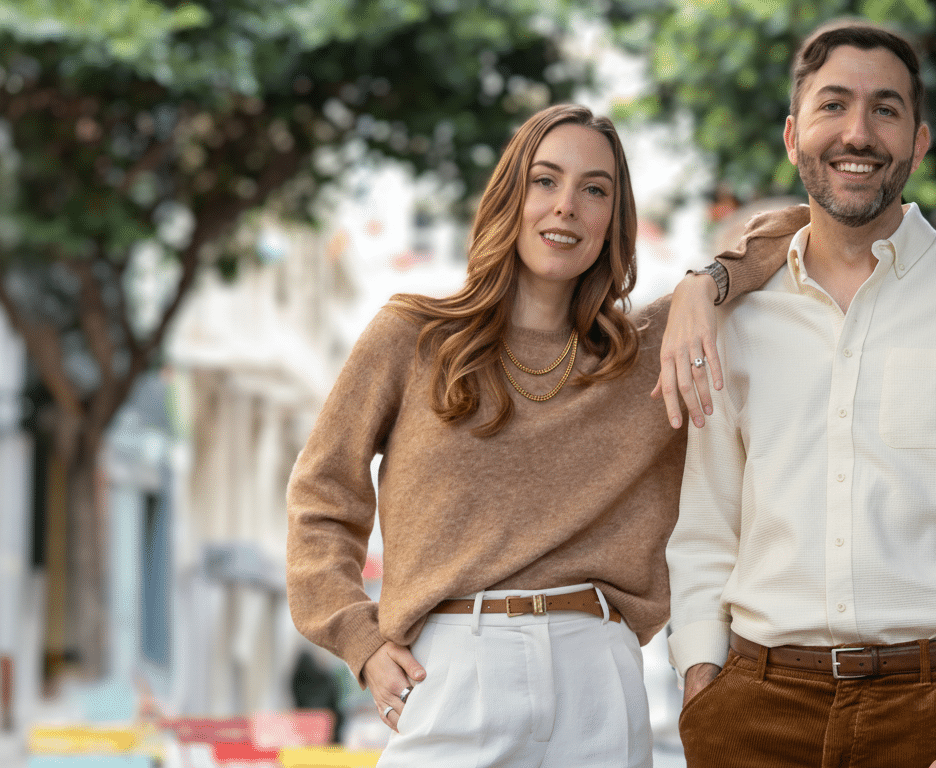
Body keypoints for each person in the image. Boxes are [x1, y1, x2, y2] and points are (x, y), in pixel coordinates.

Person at [285, 104, 784, 768]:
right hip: (454, 666)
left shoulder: (645, 355)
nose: (567, 207)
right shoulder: (413, 337)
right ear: (509, 196)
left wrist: (706, 284)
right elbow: (321, 498)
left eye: (595, 189)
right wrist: (361, 642)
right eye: (545, 181)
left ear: (614, 219)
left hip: (597, 675)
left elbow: (799, 225)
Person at [667, 21, 936, 768]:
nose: (858, 132)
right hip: (753, 711)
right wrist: (702, 690)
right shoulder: (735, 317)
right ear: (794, 136)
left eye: (885, 109)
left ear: (918, 142)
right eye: (833, 106)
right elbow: (706, 524)